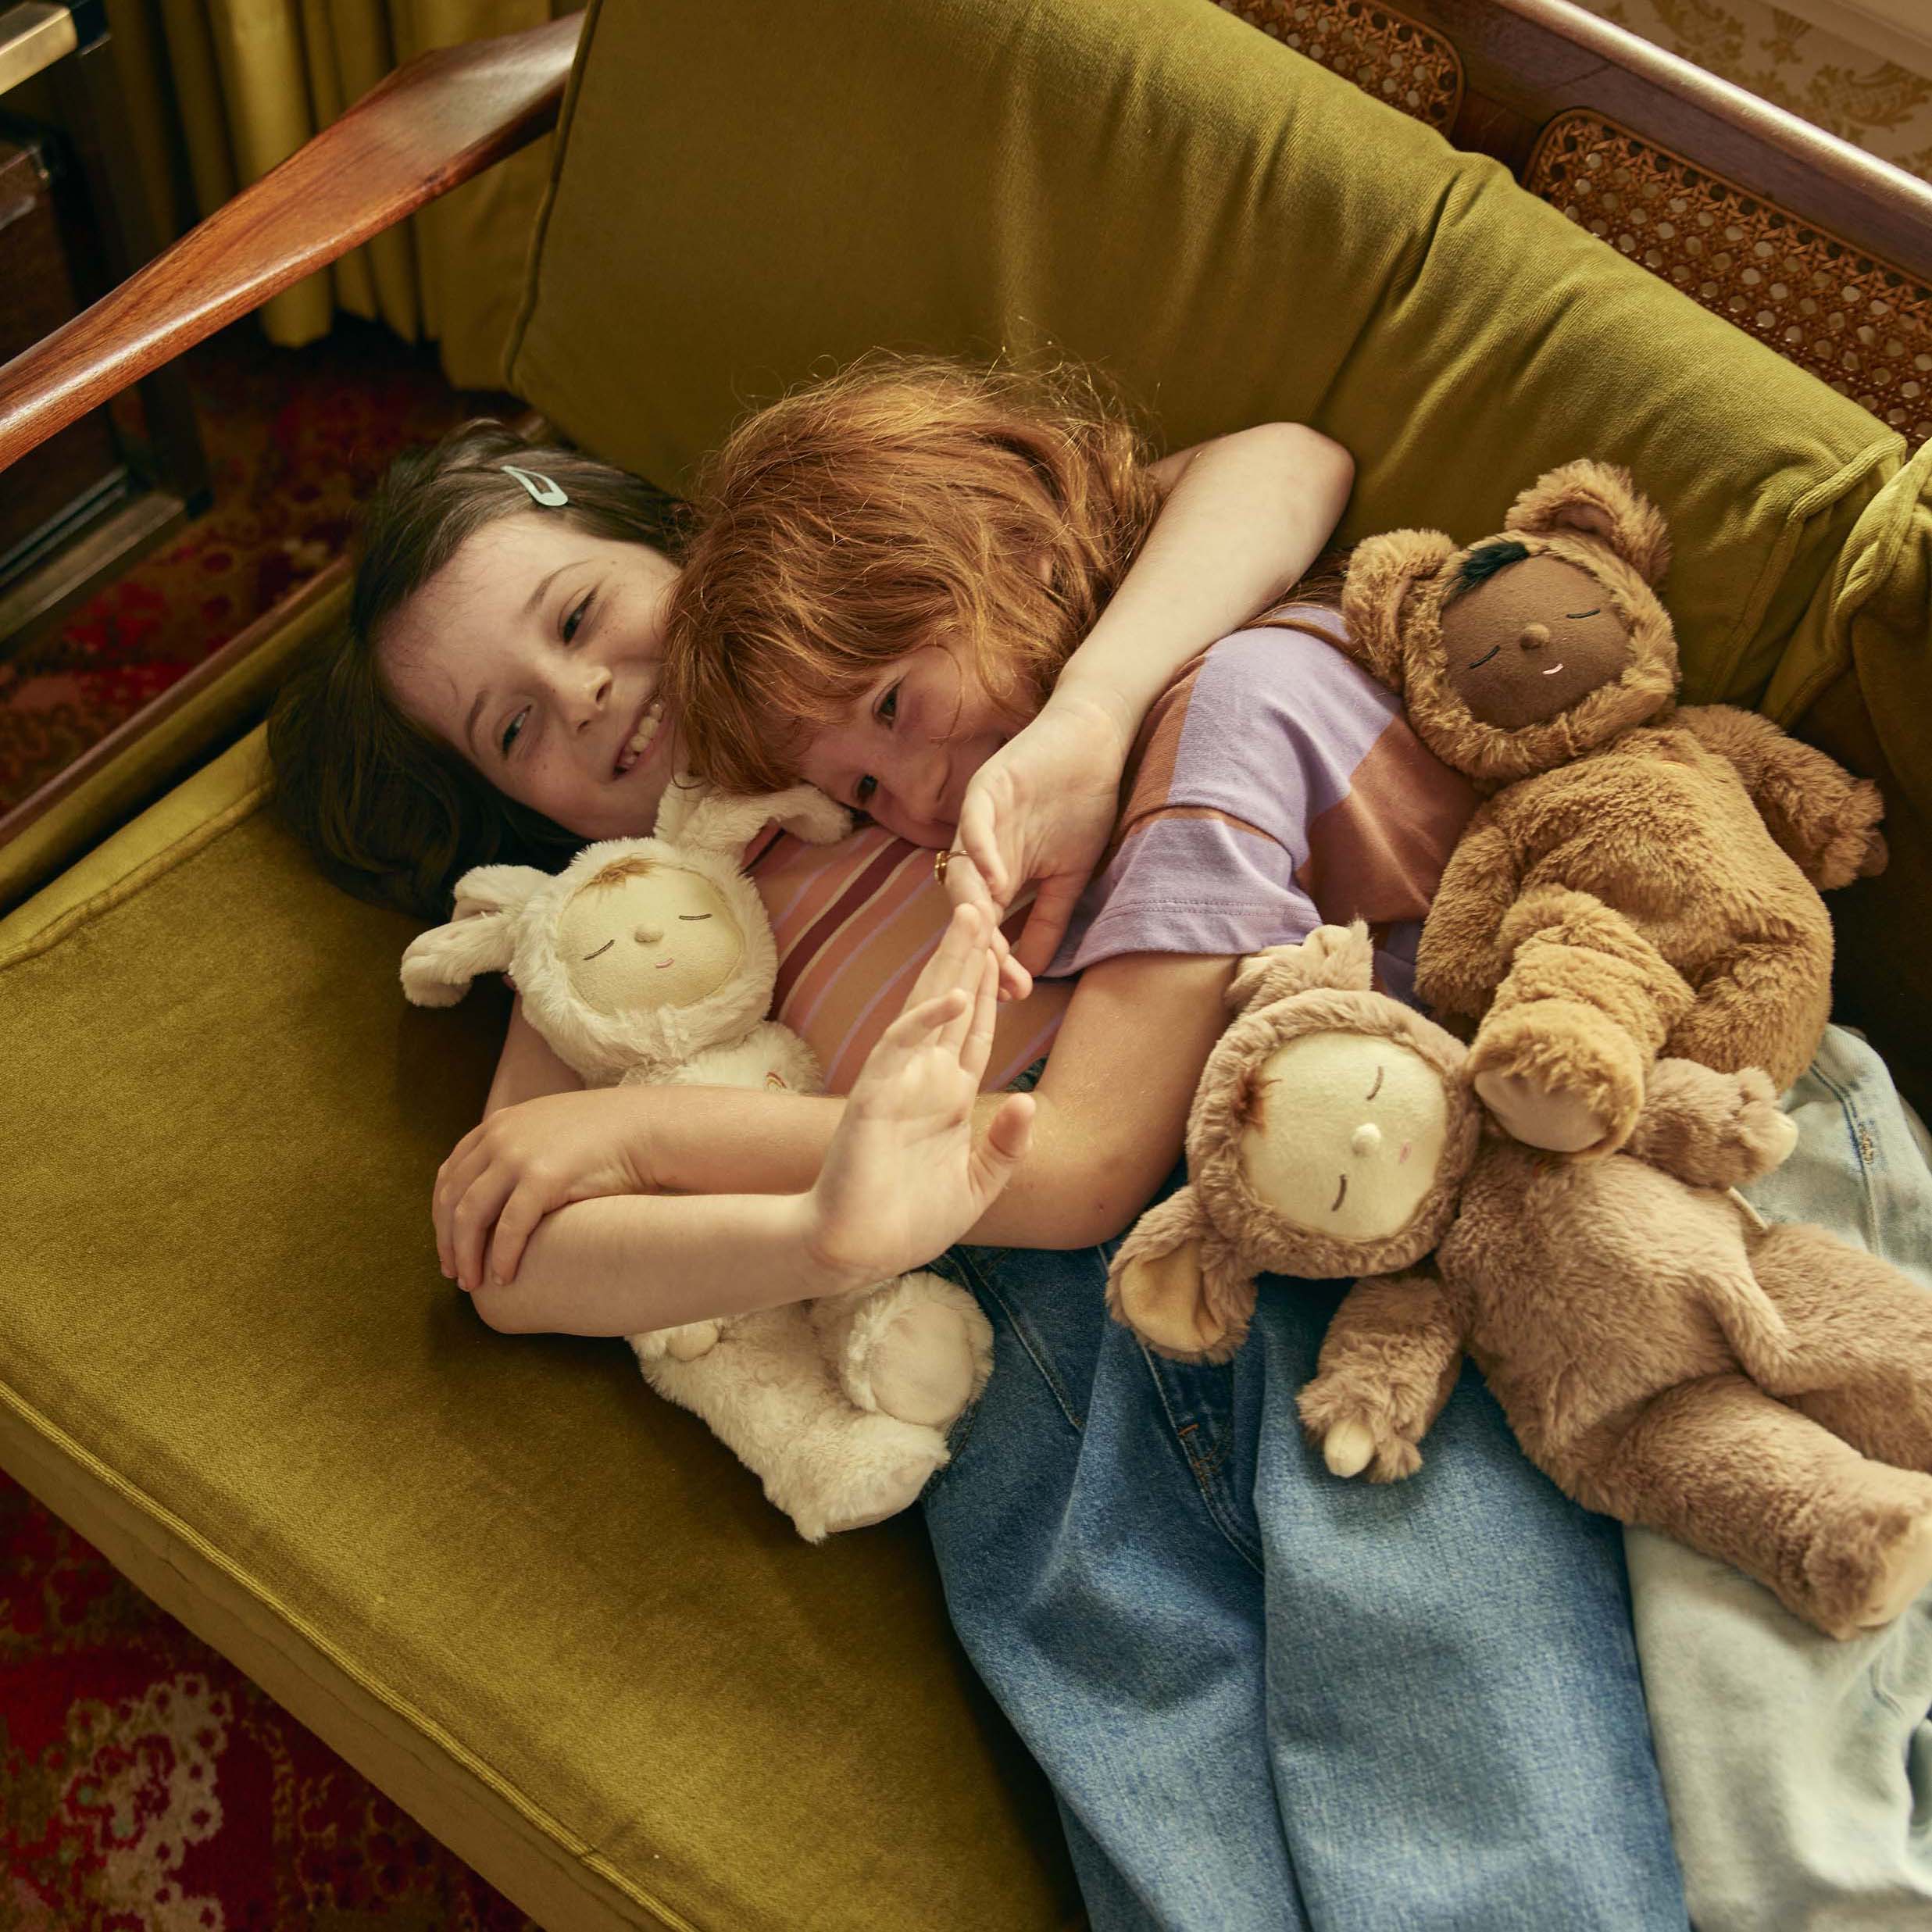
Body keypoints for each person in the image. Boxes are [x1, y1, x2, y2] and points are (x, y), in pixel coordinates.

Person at [270, 357, 1693, 1929]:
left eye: (575, 617)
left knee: (1468, 1756)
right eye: (512, 727)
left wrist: (1087, 713)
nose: (589, 699)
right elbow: (517, 1257)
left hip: (1252, 1216)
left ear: (661, 535)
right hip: (1007, 1362)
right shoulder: (607, 914)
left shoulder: (920, 595)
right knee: (1178, 1845)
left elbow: (1284, 457)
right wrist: (827, 1234)